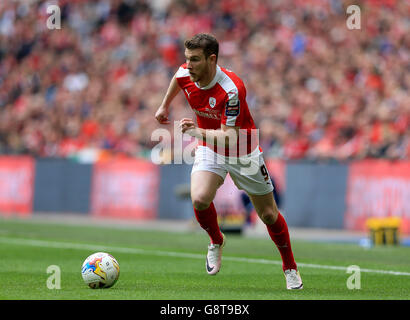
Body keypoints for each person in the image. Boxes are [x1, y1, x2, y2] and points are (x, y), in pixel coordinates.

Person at [155, 33, 303, 289]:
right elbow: (177, 79)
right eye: (187, 59)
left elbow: (229, 137)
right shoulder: (185, 73)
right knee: (200, 198)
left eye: (195, 60)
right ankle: (216, 239)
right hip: (209, 148)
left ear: (212, 59)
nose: (188, 65)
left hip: (242, 151)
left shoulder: (231, 89)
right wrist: (164, 106)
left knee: (268, 214)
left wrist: (194, 132)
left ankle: (289, 267)